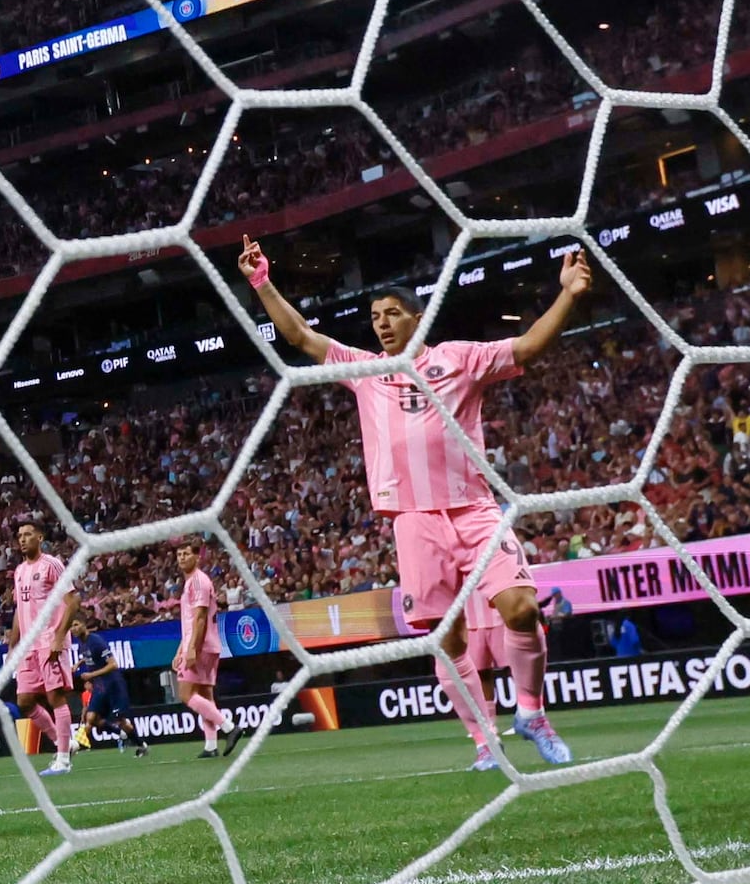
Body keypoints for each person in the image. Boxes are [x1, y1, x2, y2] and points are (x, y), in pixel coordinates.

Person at [238, 237, 591, 770]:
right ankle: (484, 741)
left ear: (417, 319)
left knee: (520, 608)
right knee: (449, 640)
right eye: (375, 316)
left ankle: (533, 712)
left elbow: (527, 347)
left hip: (475, 509)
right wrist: (262, 281)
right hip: (413, 522)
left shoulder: (459, 360)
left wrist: (567, 295)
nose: (381, 323)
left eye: (392, 314)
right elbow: (301, 336)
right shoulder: (364, 370)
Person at [4, 521, 80, 777]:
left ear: (40, 537)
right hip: (28, 645)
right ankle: (64, 744)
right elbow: (19, 610)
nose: (23, 539)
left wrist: (59, 637)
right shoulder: (19, 571)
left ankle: (63, 761)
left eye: (28, 535)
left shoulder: (52, 564)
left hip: (49, 640)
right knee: (24, 702)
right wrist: (13, 645)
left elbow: (73, 600)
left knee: (55, 697)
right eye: (19, 536)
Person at [170, 544, 227, 757]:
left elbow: (200, 618)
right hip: (205, 644)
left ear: (197, 557)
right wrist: (180, 650)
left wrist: (192, 648)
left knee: (186, 694)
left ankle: (228, 727)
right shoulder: (191, 582)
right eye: (179, 554)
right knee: (204, 694)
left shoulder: (197, 581)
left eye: (186, 553)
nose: (182, 557)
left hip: (201, 646)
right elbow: (190, 621)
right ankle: (211, 745)